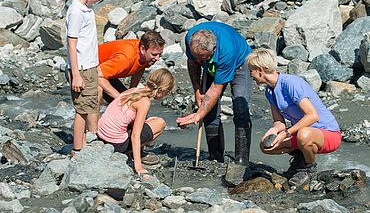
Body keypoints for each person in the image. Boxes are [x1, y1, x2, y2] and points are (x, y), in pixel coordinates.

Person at [246, 48, 342, 186]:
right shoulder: (269, 91)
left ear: (260, 69)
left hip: (328, 133)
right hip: (302, 132)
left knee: (303, 135)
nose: (250, 75)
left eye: (251, 71)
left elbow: (313, 115)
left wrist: (286, 133)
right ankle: (300, 158)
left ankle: (309, 168)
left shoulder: (291, 83)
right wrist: (273, 133)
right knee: (265, 146)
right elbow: (279, 122)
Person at [176, 21, 253, 165]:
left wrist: (198, 114)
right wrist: (197, 90)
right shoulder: (190, 39)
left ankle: (242, 160)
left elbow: (217, 87)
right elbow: (193, 63)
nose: (199, 60)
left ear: (214, 48)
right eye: (197, 56)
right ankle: (216, 156)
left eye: (203, 57)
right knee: (209, 110)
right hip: (212, 64)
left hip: (239, 64)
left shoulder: (226, 50)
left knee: (240, 109)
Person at [65, 0, 111, 156]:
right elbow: (71, 44)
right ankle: (77, 149)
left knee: (89, 105)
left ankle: (83, 143)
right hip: (81, 69)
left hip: (90, 65)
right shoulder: (76, 11)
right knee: (82, 110)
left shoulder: (86, 8)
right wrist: (75, 74)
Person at [97, 68, 175, 175]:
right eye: (166, 93)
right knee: (160, 123)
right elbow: (135, 135)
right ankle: (134, 153)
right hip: (116, 144)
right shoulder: (144, 102)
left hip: (101, 136)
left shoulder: (134, 90)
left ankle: (134, 151)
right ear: (161, 91)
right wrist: (138, 167)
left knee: (149, 120)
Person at [97, 30, 165, 104]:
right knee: (98, 93)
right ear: (142, 49)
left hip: (105, 72)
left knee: (130, 103)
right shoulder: (125, 58)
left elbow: (140, 68)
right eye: (154, 54)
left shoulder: (147, 56)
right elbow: (97, 75)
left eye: (160, 54)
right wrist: (119, 97)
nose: (158, 58)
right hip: (90, 69)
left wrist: (132, 91)